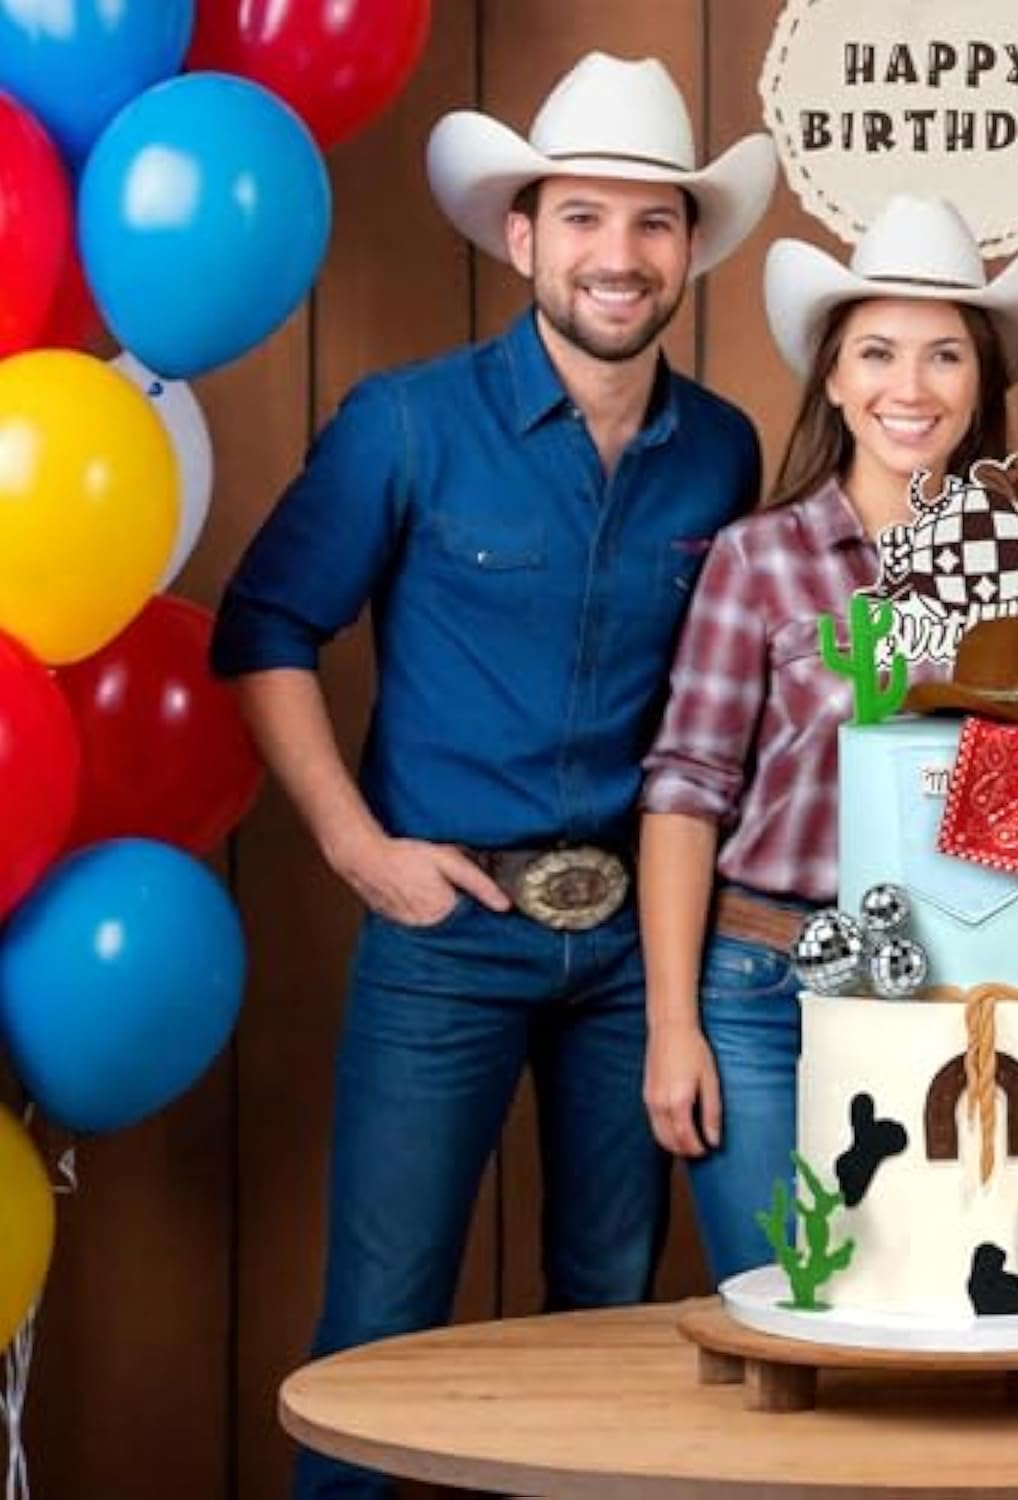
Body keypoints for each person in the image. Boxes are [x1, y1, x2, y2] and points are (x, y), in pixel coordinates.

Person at [210, 51, 775, 1499]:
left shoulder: (722, 450)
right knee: (380, 1325)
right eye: (583, 217)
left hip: (638, 953)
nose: (618, 254)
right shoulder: (407, 423)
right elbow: (264, 629)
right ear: (522, 238)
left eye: (652, 222)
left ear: (689, 250)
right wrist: (359, 851)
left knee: (610, 1320)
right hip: (445, 937)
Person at [637, 195, 1018, 1281]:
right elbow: (685, 791)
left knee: (932, 1303)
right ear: (830, 377)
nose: (910, 388)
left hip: (956, 993)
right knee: (792, 1295)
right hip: (764, 987)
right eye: (877, 353)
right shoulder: (758, 559)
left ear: (982, 382)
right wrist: (673, 1025)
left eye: (944, 355)